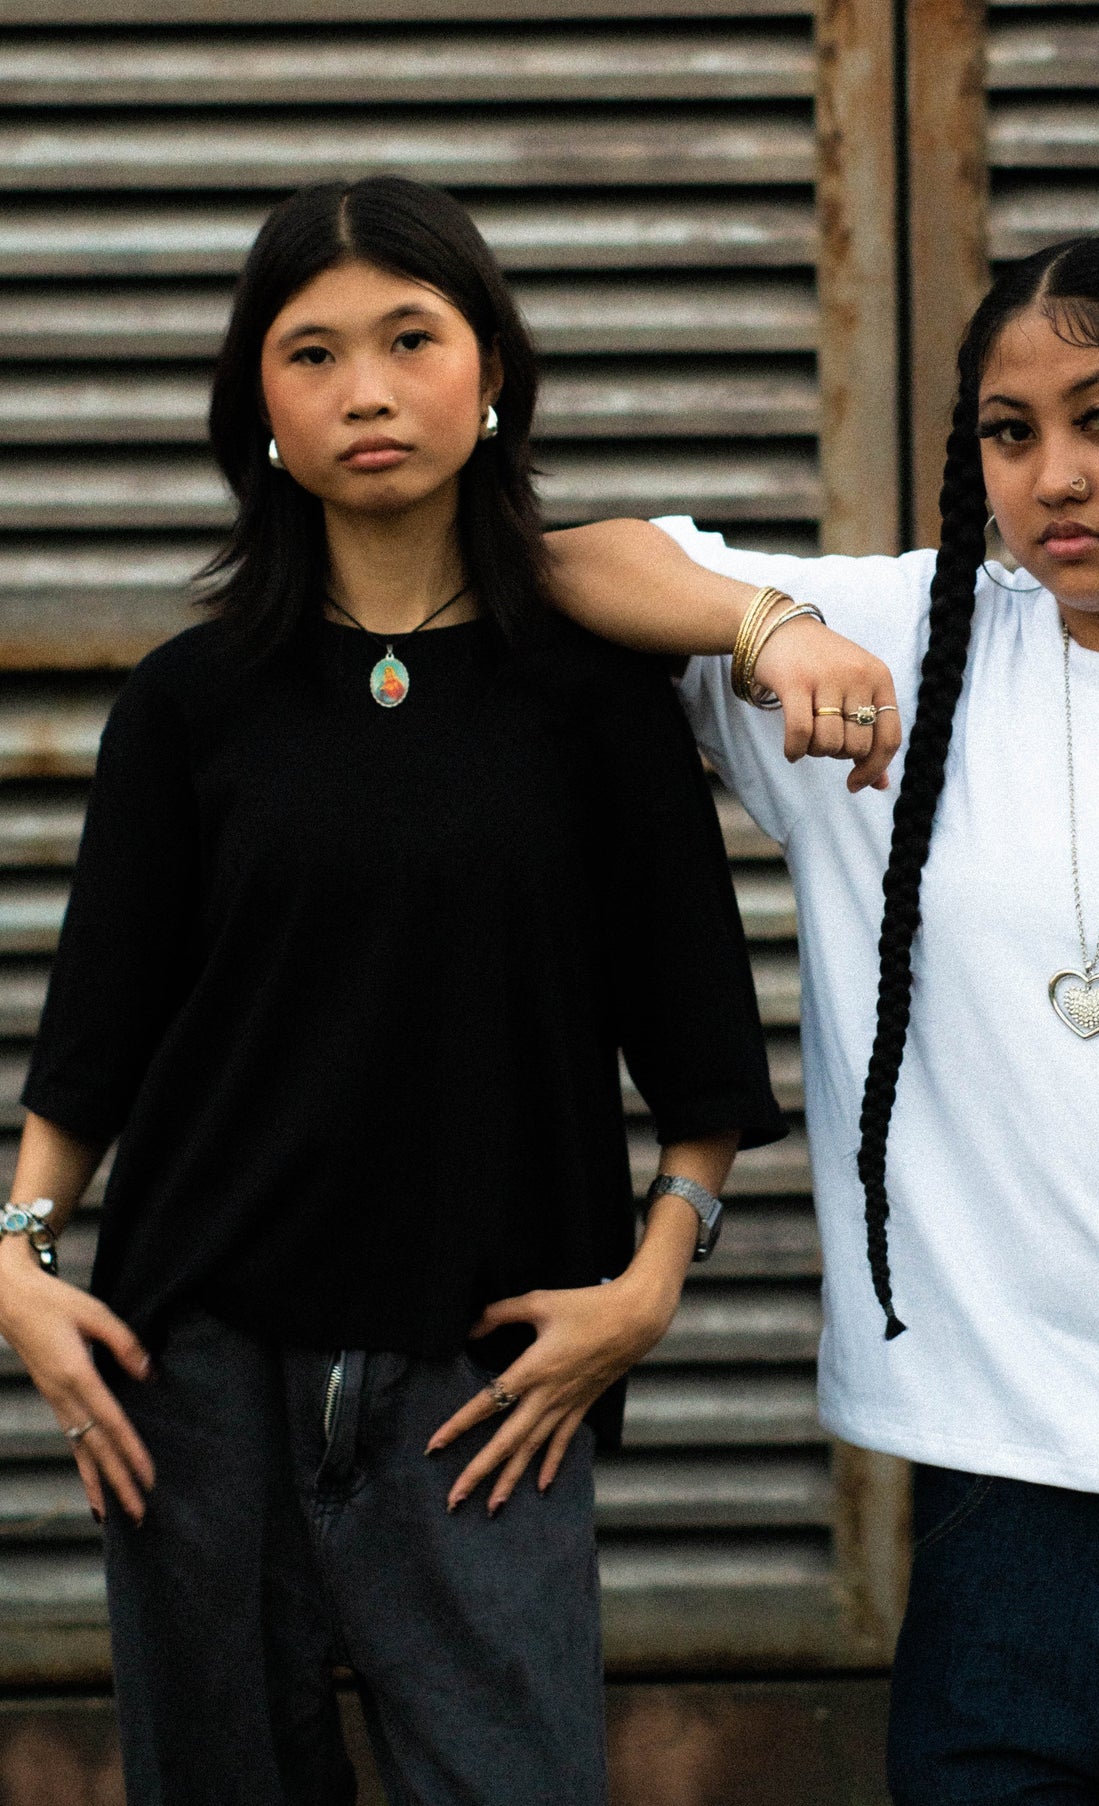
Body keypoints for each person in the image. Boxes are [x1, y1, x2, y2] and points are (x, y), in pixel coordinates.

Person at [546, 236, 1099, 1801]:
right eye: (1009, 432)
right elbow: (569, 559)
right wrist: (770, 629)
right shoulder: (907, 646)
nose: (1055, 476)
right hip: (992, 1531)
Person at [0, 175, 792, 1805]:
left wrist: (650, 1285)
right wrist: (18, 1260)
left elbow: (703, 1063)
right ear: (259, 413)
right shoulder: (193, 702)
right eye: (310, 354)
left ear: (489, 369)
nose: (365, 389)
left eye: (409, 337)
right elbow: (94, 1042)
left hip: (491, 1377)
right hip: (196, 1372)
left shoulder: (590, 694)